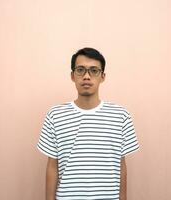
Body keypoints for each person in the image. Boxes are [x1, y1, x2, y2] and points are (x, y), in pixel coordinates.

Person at [37, 47, 140, 200]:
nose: (86, 76)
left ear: (103, 76)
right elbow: (52, 166)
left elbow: (121, 165)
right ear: (72, 76)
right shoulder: (55, 115)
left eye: (94, 70)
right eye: (80, 70)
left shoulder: (121, 116)